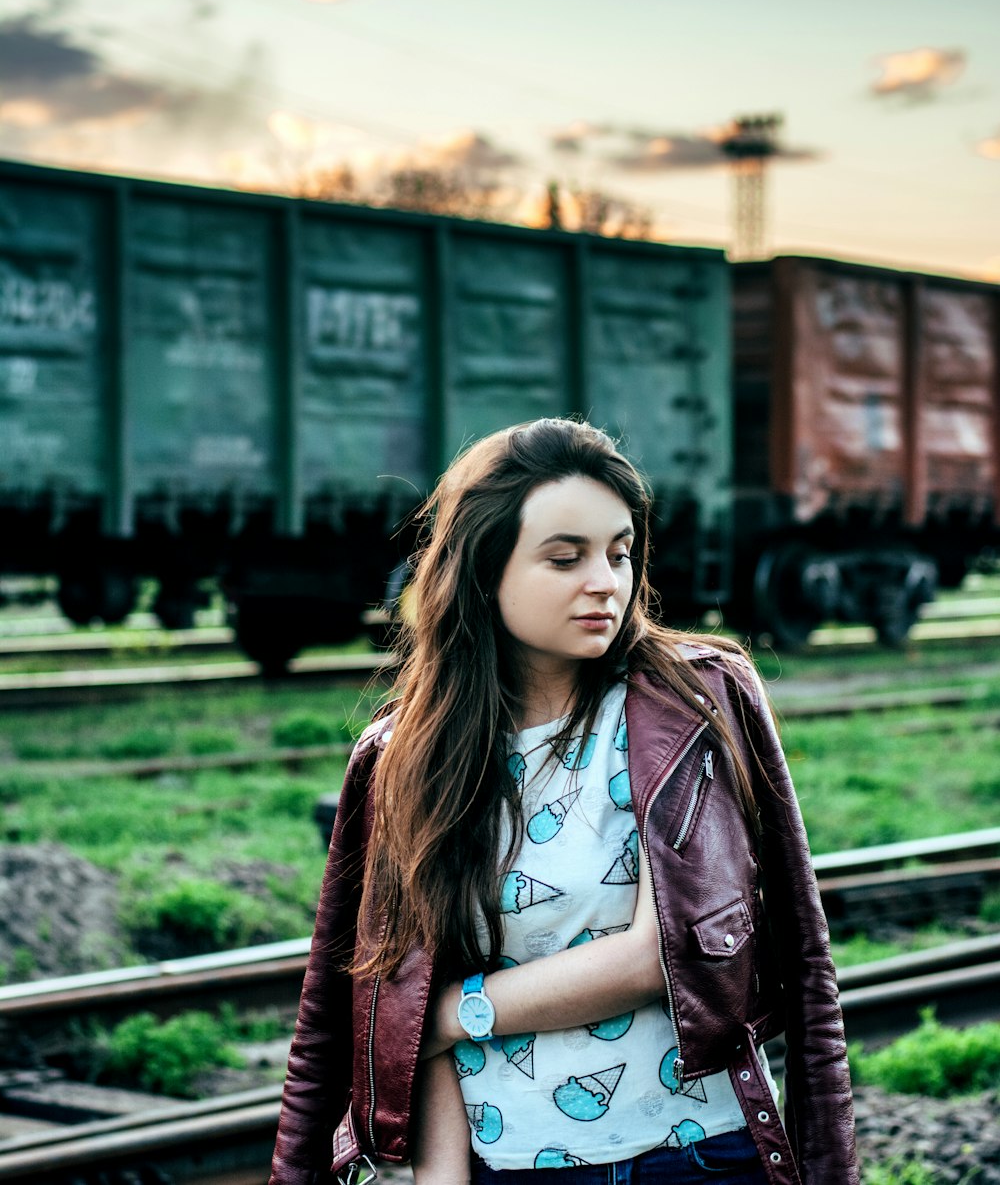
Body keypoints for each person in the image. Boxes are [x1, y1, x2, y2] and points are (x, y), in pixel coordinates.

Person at [269, 419, 857, 1185]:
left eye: (619, 552)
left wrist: (459, 1015)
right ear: (485, 571)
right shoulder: (404, 759)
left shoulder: (689, 705)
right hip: (507, 1165)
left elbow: (665, 954)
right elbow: (381, 998)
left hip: (697, 1159)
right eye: (565, 557)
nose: (606, 581)